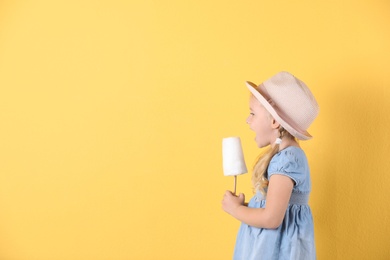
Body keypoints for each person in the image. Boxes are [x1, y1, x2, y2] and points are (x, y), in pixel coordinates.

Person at [222, 71, 319, 260]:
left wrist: (236, 210)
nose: (247, 120)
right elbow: (276, 207)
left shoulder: (288, 159)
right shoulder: (285, 157)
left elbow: (272, 218)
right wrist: (248, 207)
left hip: (277, 251)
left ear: (275, 121)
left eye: (252, 113)